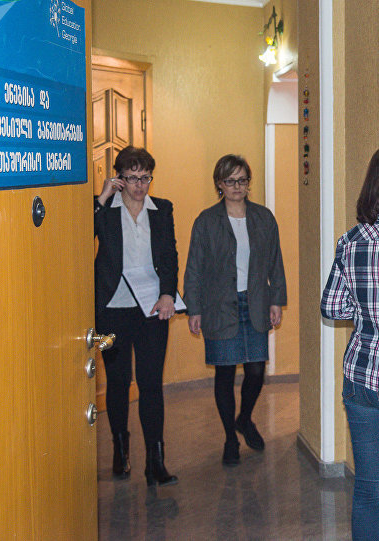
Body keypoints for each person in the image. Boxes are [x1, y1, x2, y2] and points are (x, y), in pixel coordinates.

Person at [183, 154, 287, 466]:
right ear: (219, 184)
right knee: (225, 372)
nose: (237, 186)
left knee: (256, 371)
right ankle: (230, 437)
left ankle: (244, 418)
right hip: (219, 306)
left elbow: (275, 262)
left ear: (248, 183)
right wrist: (193, 309)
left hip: (255, 303)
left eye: (242, 180)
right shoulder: (206, 221)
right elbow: (194, 268)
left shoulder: (263, 218)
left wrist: (276, 300)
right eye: (230, 181)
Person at [320, 146, 379, 541]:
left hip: (361, 378)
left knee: (369, 490)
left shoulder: (350, 241)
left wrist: (365, 311)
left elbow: (332, 306)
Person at [94, 146, 179, 487]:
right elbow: (79, 236)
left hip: (151, 309)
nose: (139, 185)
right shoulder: (104, 209)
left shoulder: (162, 209)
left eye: (145, 178)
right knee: (117, 382)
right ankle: (120, 451)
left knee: (151, 384)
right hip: (111, 310)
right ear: (119, 178)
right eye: (132, 178)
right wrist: (102, 198)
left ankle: (155, 461)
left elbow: (170, 254)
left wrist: (168, 293)